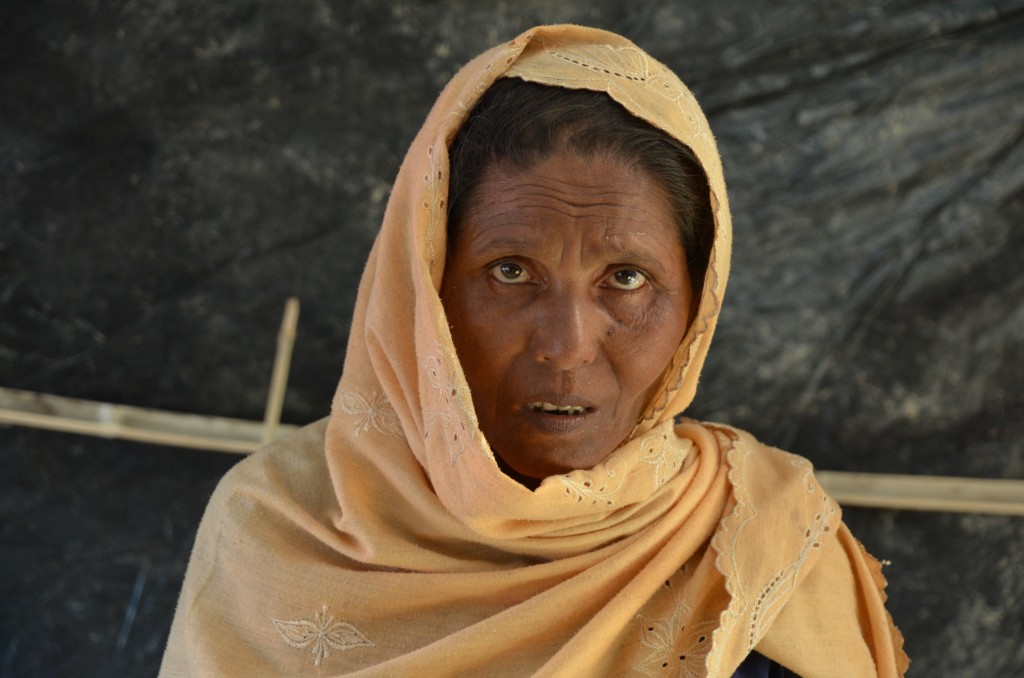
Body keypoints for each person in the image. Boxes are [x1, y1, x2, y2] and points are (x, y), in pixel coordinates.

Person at [161, 25, 908, 676]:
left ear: (695, 307)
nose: (567, 346)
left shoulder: (760, 554)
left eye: (626, 279)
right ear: (427, 290)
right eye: (511, 272)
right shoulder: (279, 533)